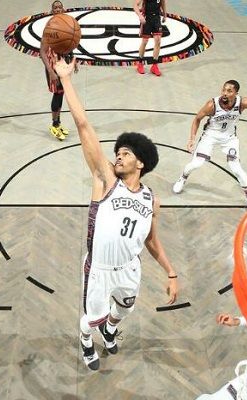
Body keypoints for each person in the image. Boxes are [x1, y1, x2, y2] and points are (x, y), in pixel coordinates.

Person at [53, 53, 180, 371]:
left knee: (123, 310)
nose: (119, 157)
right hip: (99, 268)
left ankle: (110, 330)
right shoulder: (106, 179)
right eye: (118, 153)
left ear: (141, 163)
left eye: (126, 153)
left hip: (129, 268)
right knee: (90, 319)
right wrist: (66, 79)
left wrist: (171, 272)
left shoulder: (151, 199)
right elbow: (83, 126)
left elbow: (152, 241)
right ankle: (86, 341)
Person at [171, 80, 247, 210]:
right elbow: (197, 119)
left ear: (236, 93)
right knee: (197, 163)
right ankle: (183, 178)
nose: (225, 93)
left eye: (229, 91)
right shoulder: (212, 105)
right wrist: (192, 139)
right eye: (223, 90)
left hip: (229, 138)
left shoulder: (243, 103)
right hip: (210, 136)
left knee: (236, 168)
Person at [40, 0, 71, 140]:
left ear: (63, 9)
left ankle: (58, 123)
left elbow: (69, 43)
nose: (58, 9)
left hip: (63, 63)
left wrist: (72, 59)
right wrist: (51, 71)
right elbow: (42, 51)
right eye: (55, 8)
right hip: (53, 65)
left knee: (61, 93)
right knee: (57, 94)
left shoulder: (66, 24)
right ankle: (54, 124)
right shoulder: (49, 27)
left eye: (59, 7)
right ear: (53, 11)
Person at [134, 0, 166, 76]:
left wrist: (165, 15)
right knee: (145, 41)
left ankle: (154, 66)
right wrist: (140, 16)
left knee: (158, 41)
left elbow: (163, 2)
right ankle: (140, 63)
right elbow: (135, 5)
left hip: (156, 18)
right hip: (147, 18)